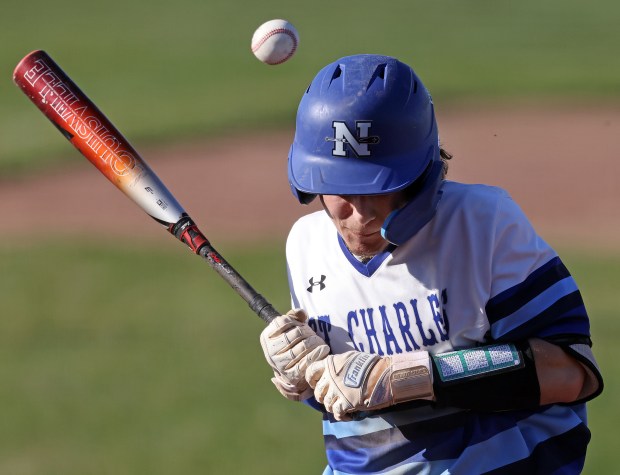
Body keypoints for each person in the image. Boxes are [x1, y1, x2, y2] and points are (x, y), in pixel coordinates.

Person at [259, 54, 603, 474]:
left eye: (381, 188)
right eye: (338, 188)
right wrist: (310, 377)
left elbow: (570, 371)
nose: (361, 215)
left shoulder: (480, 222)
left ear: (419, 174)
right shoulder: (306, 245)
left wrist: (416, 374)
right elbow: (352, 403)